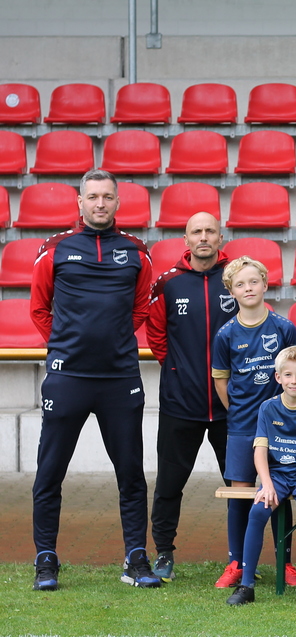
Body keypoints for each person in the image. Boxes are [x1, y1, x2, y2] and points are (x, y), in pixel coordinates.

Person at [31, 169, 159, 591]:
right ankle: (46, 559)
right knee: (50, 473)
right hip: (67, 379)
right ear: (80, 203)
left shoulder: (137, 251)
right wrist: (68, 346)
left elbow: (140, 308)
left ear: (117, 202)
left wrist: (114, 342)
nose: (100, 203)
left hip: (120, 378)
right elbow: (38, 309)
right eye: (92, 197)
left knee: (131, 475)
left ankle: (136, 558)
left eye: (107, 196)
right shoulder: (55, 249)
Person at [146, 211, 236, 582]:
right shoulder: (168, 283)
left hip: (232, 407)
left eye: (210, 231)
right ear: (186, 239)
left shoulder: (236, 279)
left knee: (241, 485)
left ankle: (240, 558)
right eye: (196, 231)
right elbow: (156, 335)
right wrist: (179, 370)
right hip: (180, 403)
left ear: (220, 237)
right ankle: (164, 553)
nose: (203, 237)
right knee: (169, 482)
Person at [211, 256, 296, 588]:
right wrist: (237, 411)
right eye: (240, 284)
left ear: (265, 285)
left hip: (282, 427)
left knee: (281, 491)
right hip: (241, 427)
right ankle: (237, 562)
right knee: (241, 493)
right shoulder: (226, 334)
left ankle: (285, 563)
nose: (248, 288)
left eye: (253, 282)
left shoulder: (283, 328)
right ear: (231, 291)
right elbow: (221, 380)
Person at [225, 346, 296, 606]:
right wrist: (266, 483)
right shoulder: (268, 407)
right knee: (259, 509)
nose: (293, 381)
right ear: (278, 378)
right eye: (288, 375)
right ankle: (246, 584)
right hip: (278, 475)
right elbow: (260, 450)